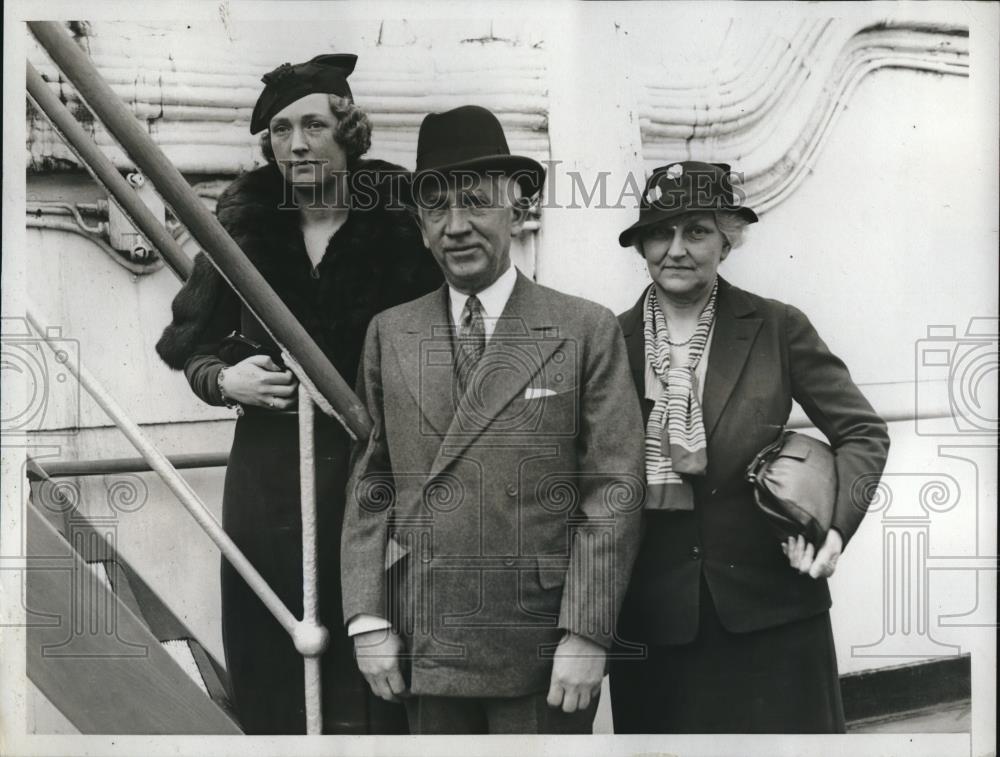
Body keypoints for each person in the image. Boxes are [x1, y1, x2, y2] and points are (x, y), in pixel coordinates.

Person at [154, 54, 442, 734]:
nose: (297, 144)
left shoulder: (402, 220)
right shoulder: (243, 223)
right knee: (274, 653)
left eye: (313, 125)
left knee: (375, 660)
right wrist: (226, 380)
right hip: (270, 478)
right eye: (281, 130)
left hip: (376, 476)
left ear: (349, 132)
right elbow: (191, 345)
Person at [339, 105, 645, 734]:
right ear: (420, 226)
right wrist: (366, 617)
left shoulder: (584, 328)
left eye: (476, 202)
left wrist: (587, 630)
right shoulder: (391, 333)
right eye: (437, 209)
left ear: (517, 207)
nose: (457, 227)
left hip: (537, 642)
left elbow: (612, 489)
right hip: (428, 636)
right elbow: (371, 483)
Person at [607, 161, 890, 734]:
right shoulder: (609, 340)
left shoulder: (777, 326)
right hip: (654, 625)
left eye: (697, 231)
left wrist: (833, 531)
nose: (677, 249)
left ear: (727, 241)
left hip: (775, 615)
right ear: (641, 245)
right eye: (661, 232)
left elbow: (863, 432)